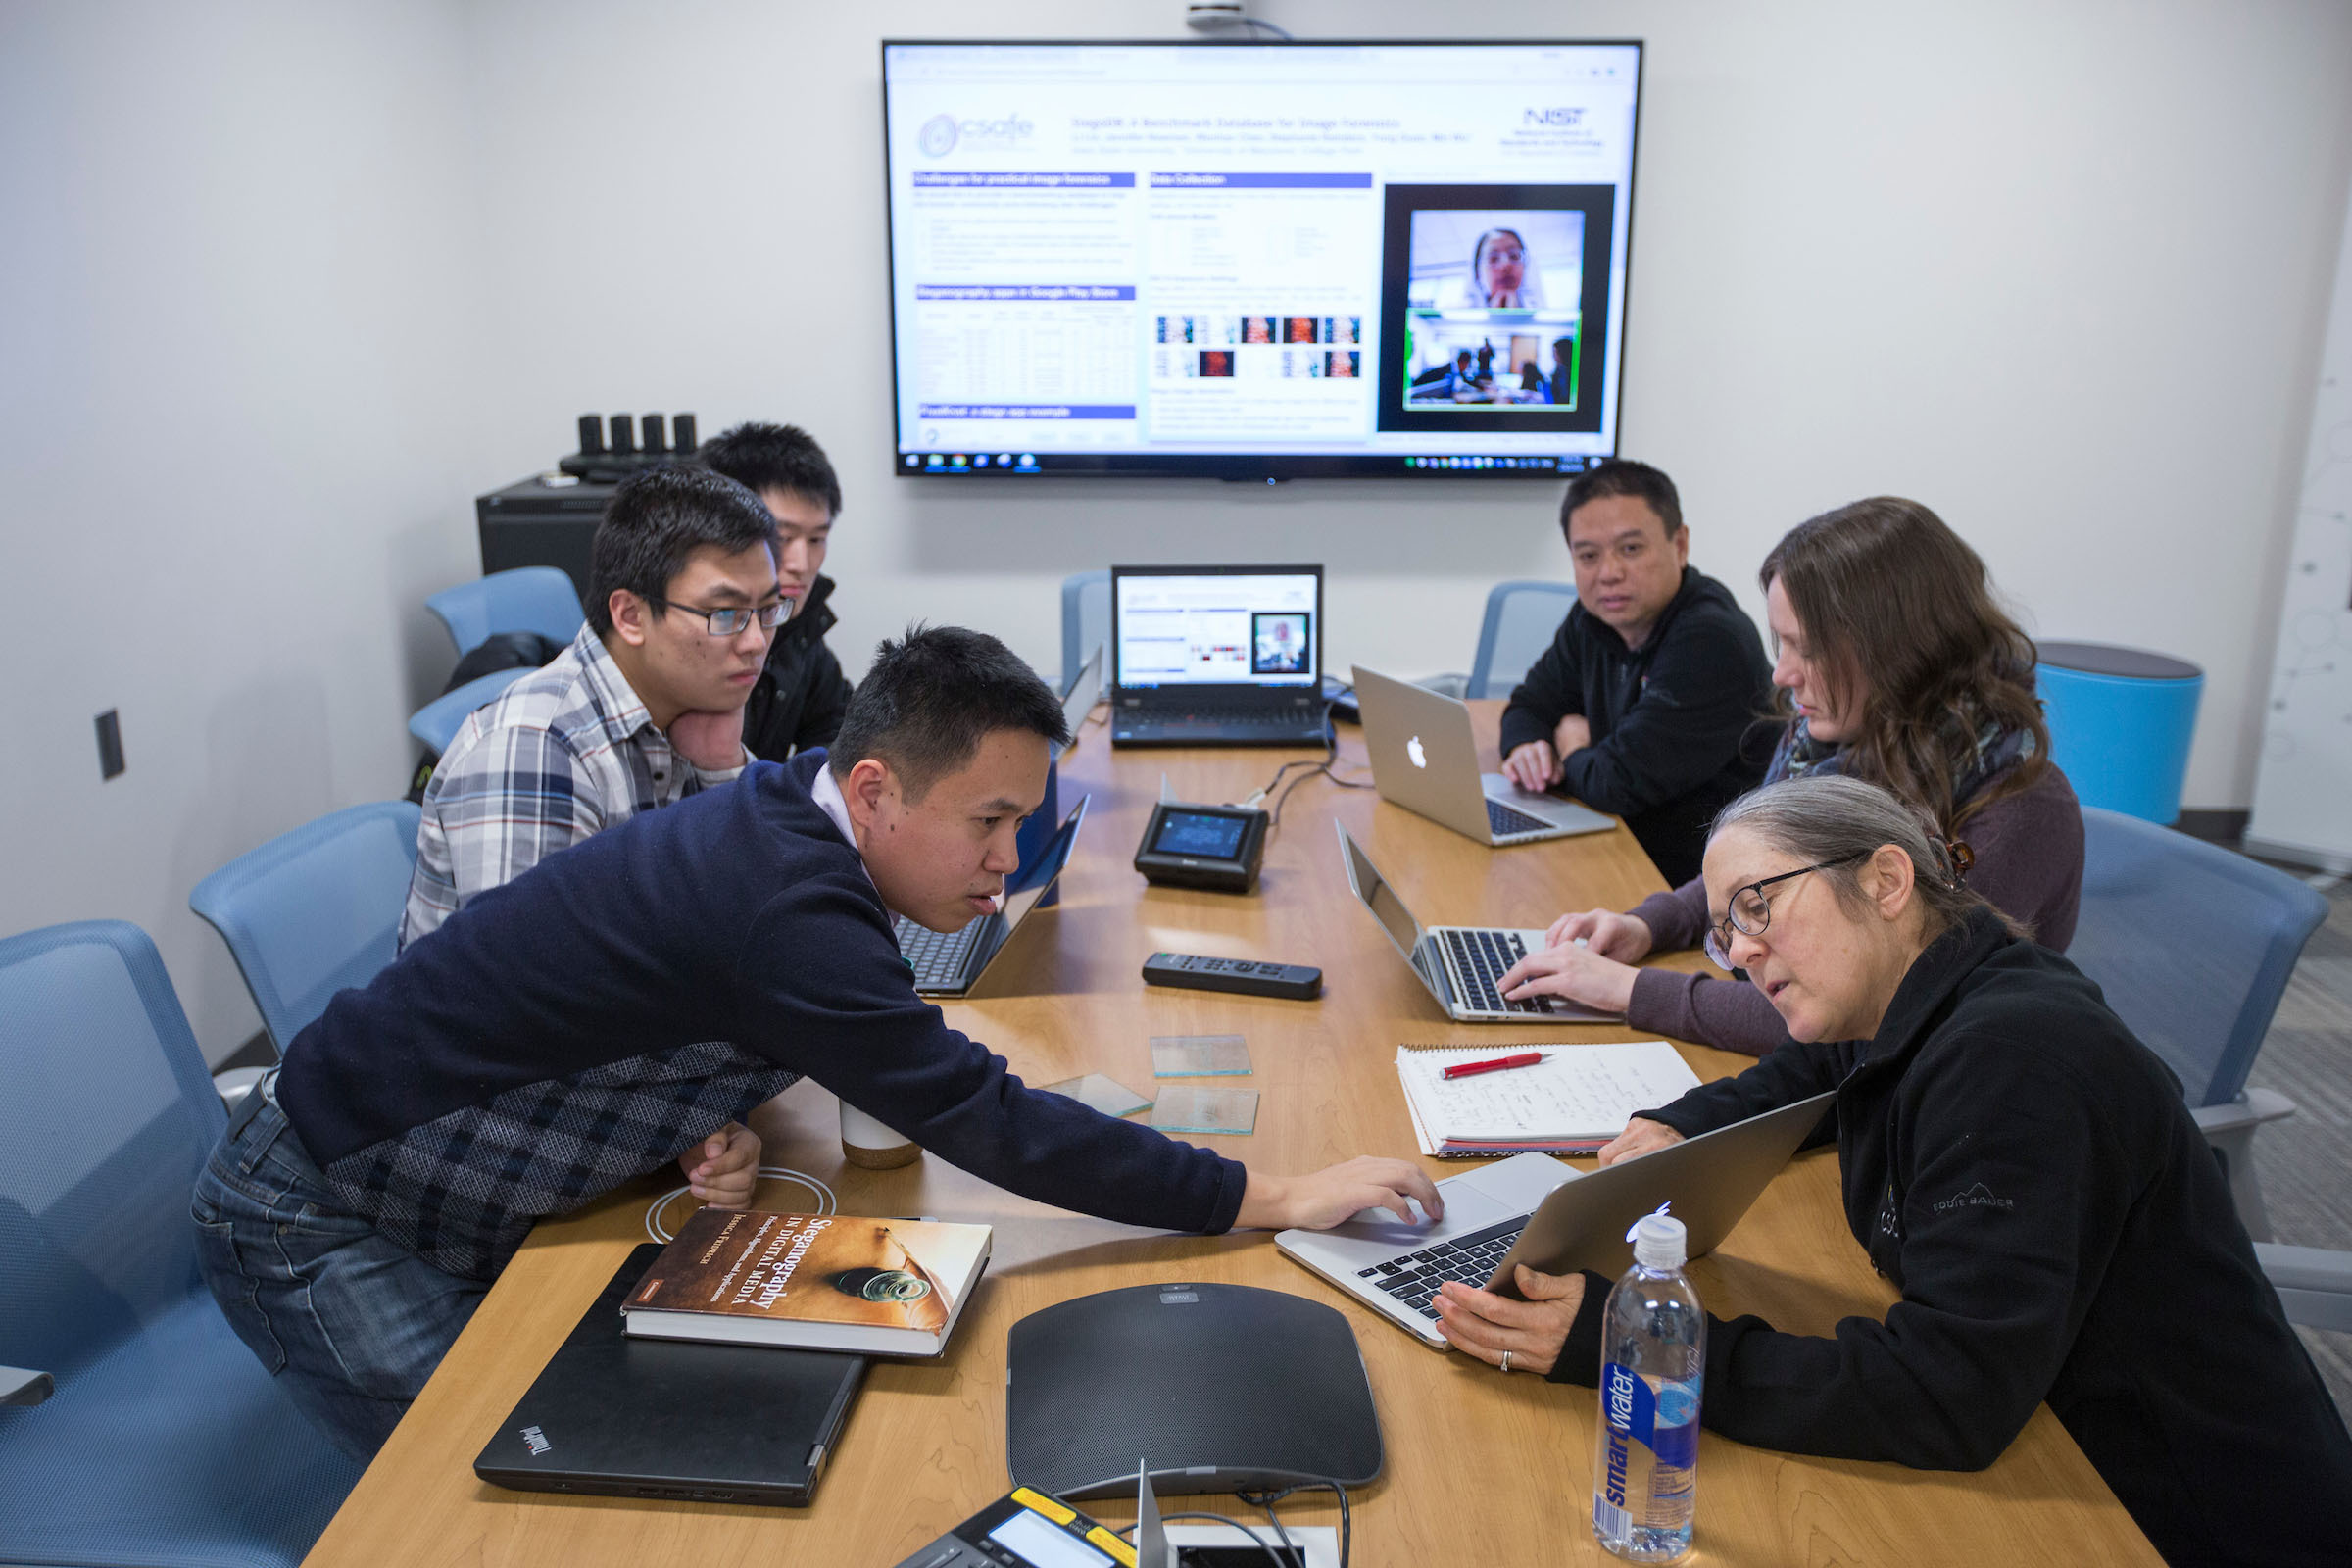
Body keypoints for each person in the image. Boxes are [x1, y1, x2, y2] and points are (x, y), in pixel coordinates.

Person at [192, 625, 1444, 1460]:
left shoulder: (788, 815)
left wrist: (694, 1103)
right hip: (319, 1212)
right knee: (486, 1501)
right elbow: (987, 1117)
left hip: (433, 1186)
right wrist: (1270, 1190)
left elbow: (649, 1002)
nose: (1009, 866)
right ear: (876, 792)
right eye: (992, 823)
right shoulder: (787, 909)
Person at [1435, 774, 2352, 1568]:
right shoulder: (1924, 986)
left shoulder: (2014, 1065)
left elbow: (1947, 1395)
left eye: (1757, 906)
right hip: (2058, 1425)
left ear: (1884, 879)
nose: (1742, 951)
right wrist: (1681, 1127)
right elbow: (1816, 1066)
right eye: (1725, 932)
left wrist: (1641, 1353)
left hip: (2173, 1514)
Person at [1501, 495, 2083, 1056]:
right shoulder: (1828, 741)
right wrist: (1647, 924)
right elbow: (1753, 874)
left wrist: (1628, 991)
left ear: (1897, 652)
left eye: (1806, 649)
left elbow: (1872, 1017)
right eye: (1782, 643)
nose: (1782, 674)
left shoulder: (2020, 808)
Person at [400, 466, 786, 948]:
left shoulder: (688, 709)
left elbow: (764, 898)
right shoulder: (535, 754)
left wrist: (724, 766)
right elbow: (532, 1000)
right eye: (724, 614)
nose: (755, 642)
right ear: (629, 616)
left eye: (769, 610)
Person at [1496, 460, 1773, 887]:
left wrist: (1570, 747)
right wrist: (1527, 745)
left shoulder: (1711, 641)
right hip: (1616, 844)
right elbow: (1530, 702)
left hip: (1696, 889)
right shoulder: (1593, 621)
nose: (1609, 574)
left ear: (1679, 545)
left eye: (1630, 549)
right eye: (1588, 555)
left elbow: (1615, 784)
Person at [699, 421, 855, 761]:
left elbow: (840, 728)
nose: (801, 563)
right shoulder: (694, 633)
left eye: (816, 539)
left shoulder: (799, 625)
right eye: (781, 538)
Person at [1438, 226, 1545, 309]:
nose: (1505, 265)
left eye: (1514, 256)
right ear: (1478, 273)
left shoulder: (1538, 312)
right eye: (1493, 258)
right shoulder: (1457, 315)